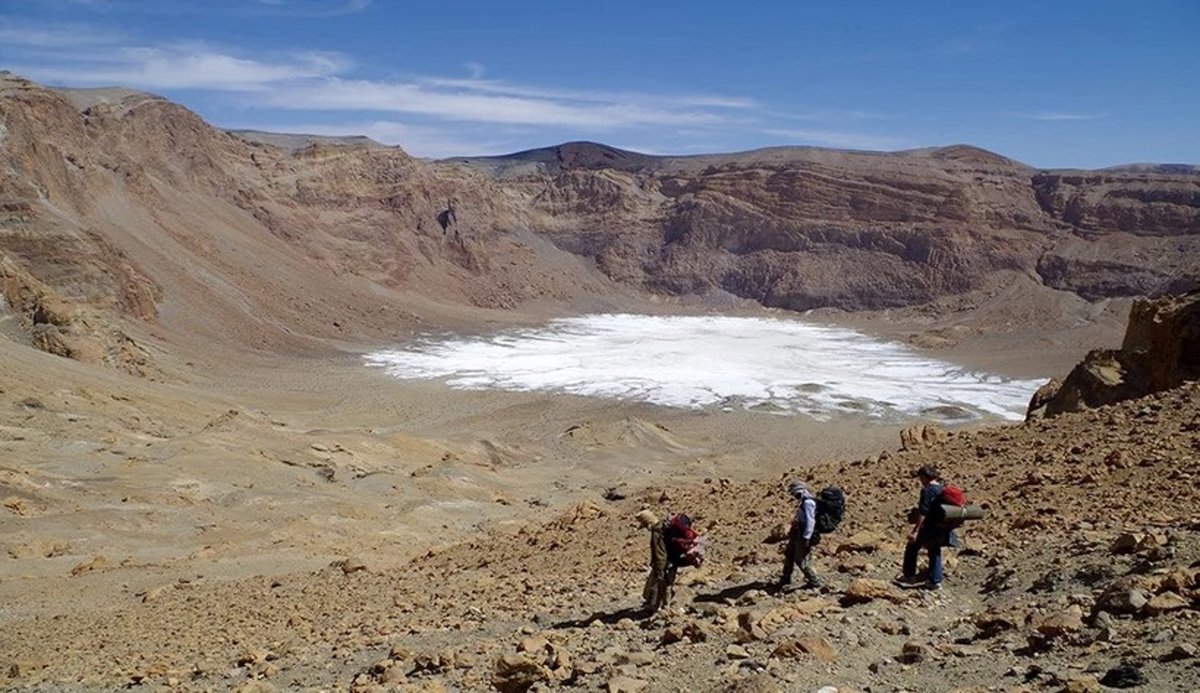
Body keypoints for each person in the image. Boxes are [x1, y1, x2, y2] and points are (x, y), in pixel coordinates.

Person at [896, 466, 957, 590]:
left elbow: (923, 512)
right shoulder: (943, 488)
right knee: (934, 550)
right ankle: (935, 580)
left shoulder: (927, 490)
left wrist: (916, 531)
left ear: (924, 477)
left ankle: (909, 576)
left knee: (912, 546)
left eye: (920, 478)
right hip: (942, 527)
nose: (920, 481)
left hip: (930, 527)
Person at [778, 480, 823, 590]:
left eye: (795, 493)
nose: (794, 496)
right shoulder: (804, 501)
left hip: (803, 534)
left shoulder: (808, 503)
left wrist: (806, 537)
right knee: (789, 554)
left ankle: (815, 581)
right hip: (798, 532)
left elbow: (810, 521)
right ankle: (785, 578)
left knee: (801, 559)